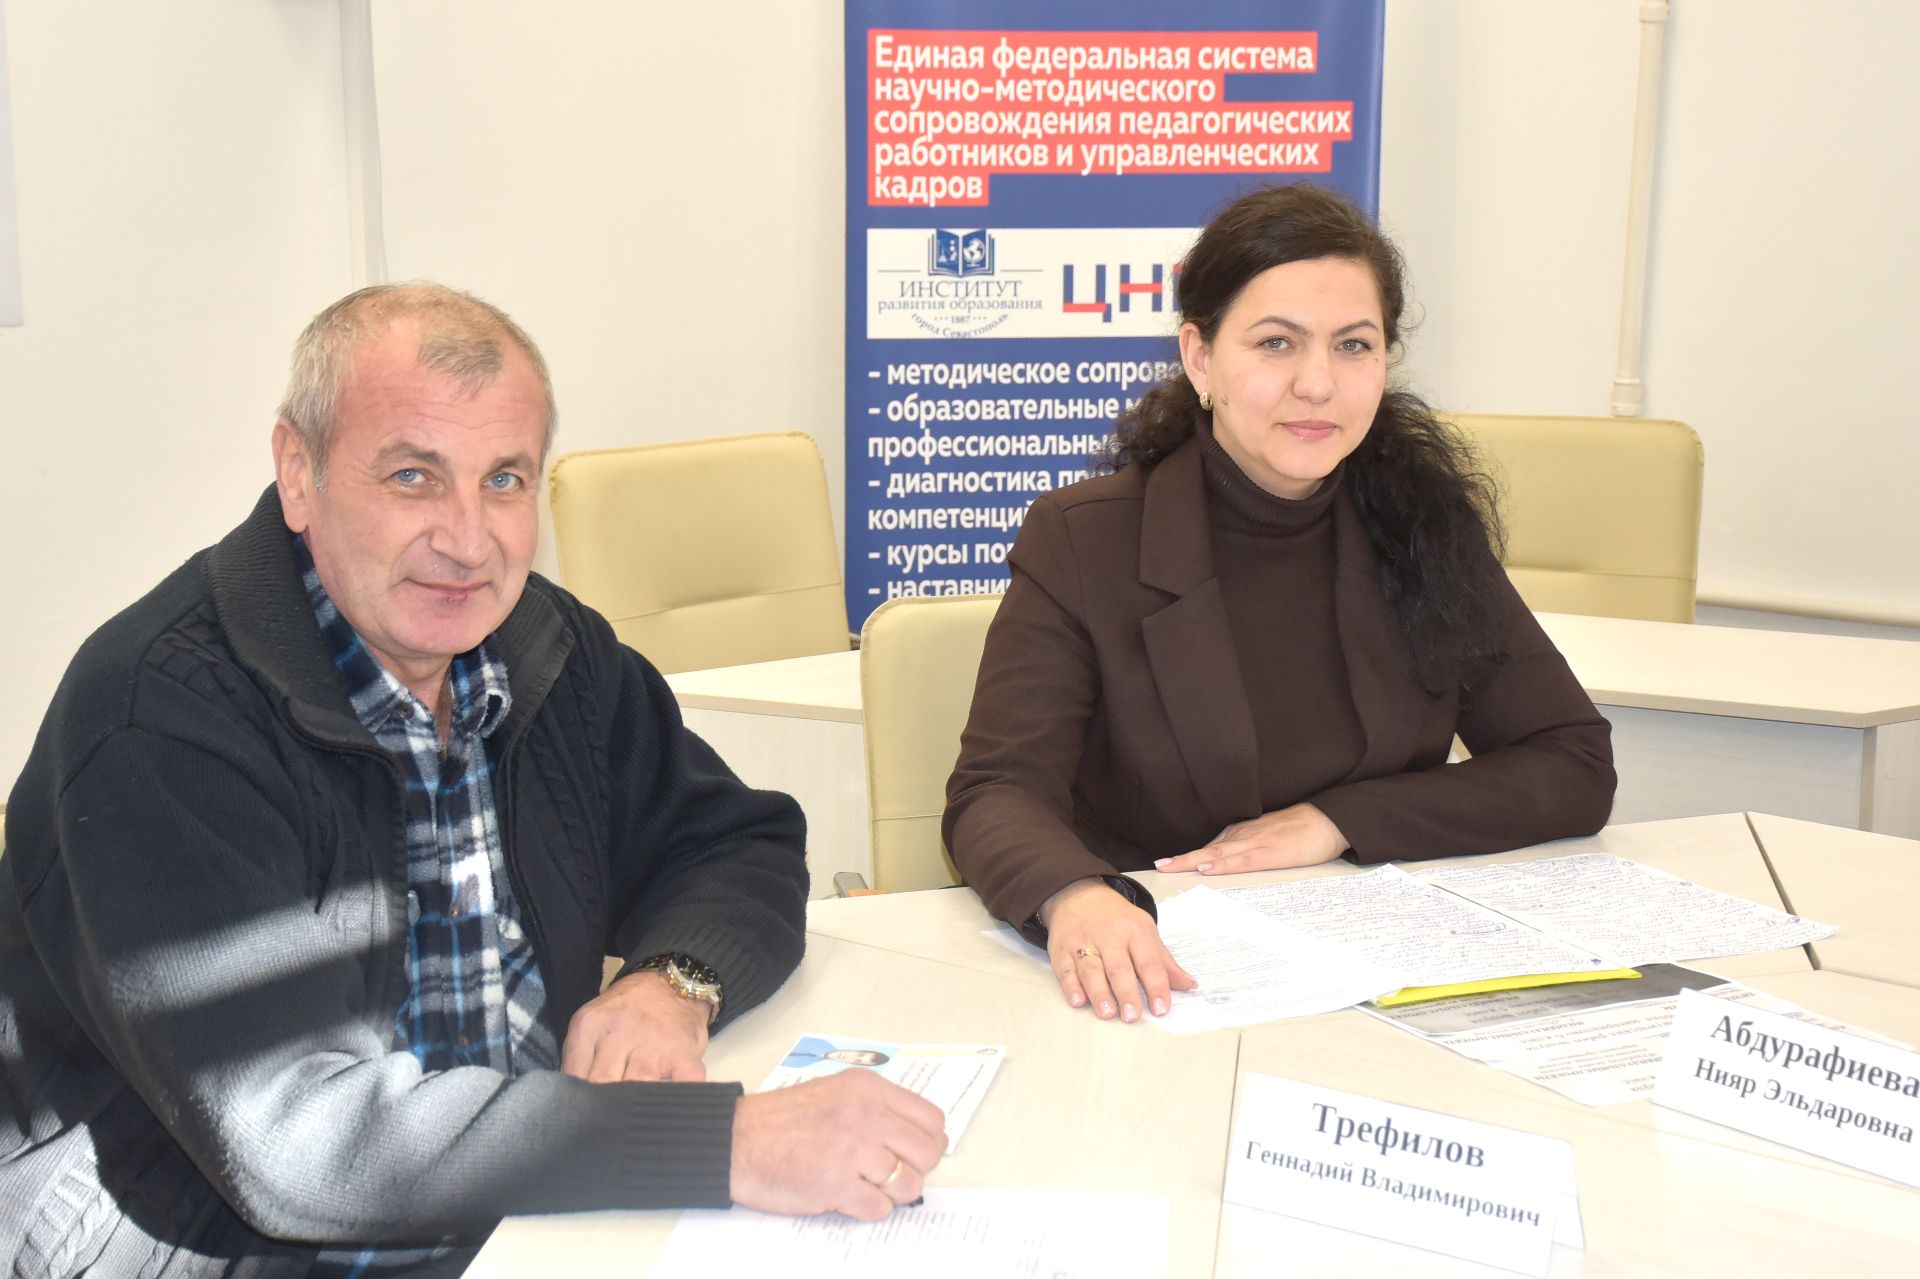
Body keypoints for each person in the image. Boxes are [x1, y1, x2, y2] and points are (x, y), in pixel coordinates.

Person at [0, 283, 945, 1275]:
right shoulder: (159, 717)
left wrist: (671, 984)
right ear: (298, 472)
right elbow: (301, 1142)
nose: (467, 539)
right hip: (200, 1244)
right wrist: (723, 1144)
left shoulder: (546, 649)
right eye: (413, 476)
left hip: (518, 1216)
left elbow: (733, 842)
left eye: (504, 479)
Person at [944, 184, 1616, 1028]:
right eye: (1275, 343)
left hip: (1380, 970)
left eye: (1354, 345)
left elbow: (1572, 761)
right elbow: (996, 789)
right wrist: (1075, 895)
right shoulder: (1086, 539)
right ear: (1201, 359)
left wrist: (1341, 819)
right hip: (1165, 979)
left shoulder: (1420, 524)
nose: (1318, 384)